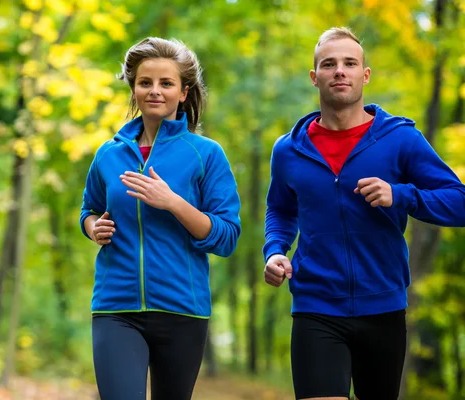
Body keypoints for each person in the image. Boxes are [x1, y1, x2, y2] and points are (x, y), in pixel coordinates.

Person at [263, 26, 465, 400]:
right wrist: (275, 249)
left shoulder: (401, 139)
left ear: (364, 75)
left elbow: (458, 201)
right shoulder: (288, 149)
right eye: (329, 64)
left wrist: (400, 194)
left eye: (349, 63)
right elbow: (280, 209)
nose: (340, 70)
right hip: (315, 306)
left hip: (383, 307)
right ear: (315, 77)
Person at [80, 37, 241, 400]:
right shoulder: (109, 154)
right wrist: (94, 228)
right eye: (145, 82)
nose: (155, 91)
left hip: (183, 309)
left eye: (166, 83)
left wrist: (172, 202)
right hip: (115, 307)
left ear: (184, 92)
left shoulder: (205, 155)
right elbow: (88, 209)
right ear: (133, 88)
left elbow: (227, 236)